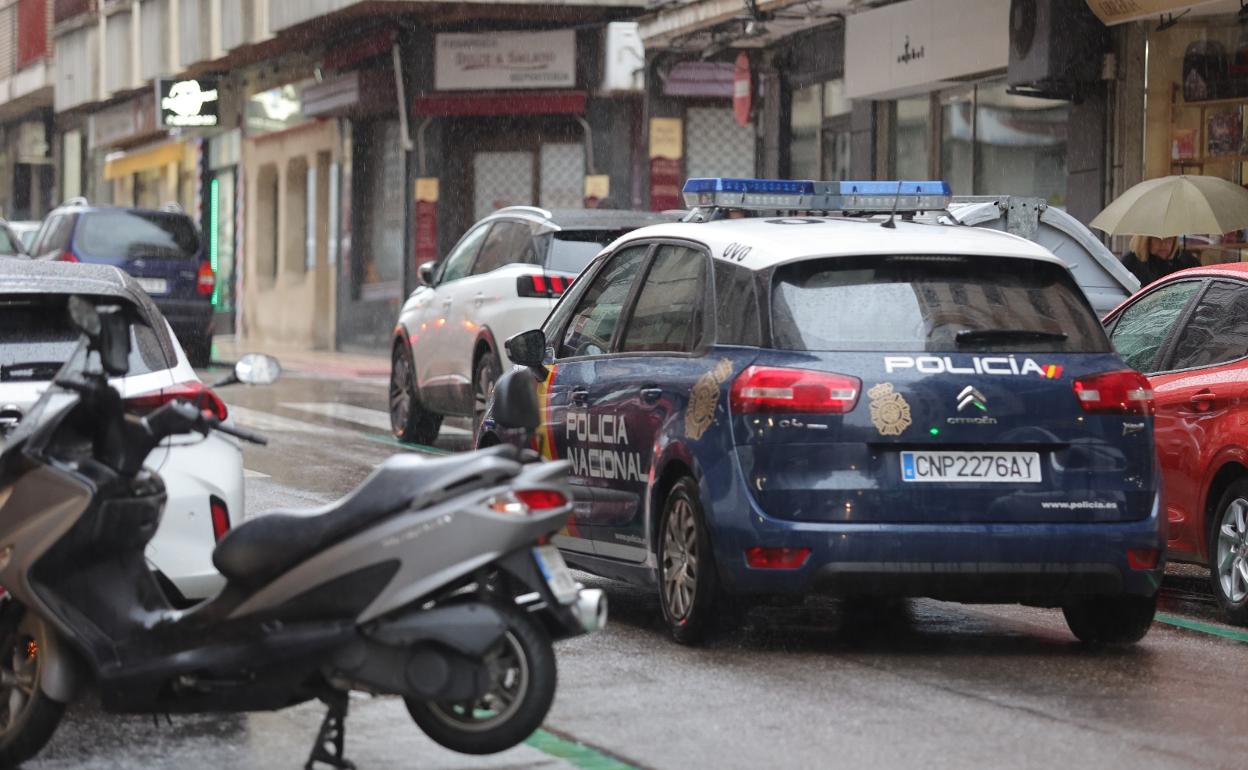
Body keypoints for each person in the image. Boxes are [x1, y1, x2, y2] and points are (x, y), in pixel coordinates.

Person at [1121, 235, 1199, 286]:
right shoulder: (1131, 263)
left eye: (1169, 239)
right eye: (1157, 239)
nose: (1163, 244)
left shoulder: (1186, 262)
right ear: (1146, 241)